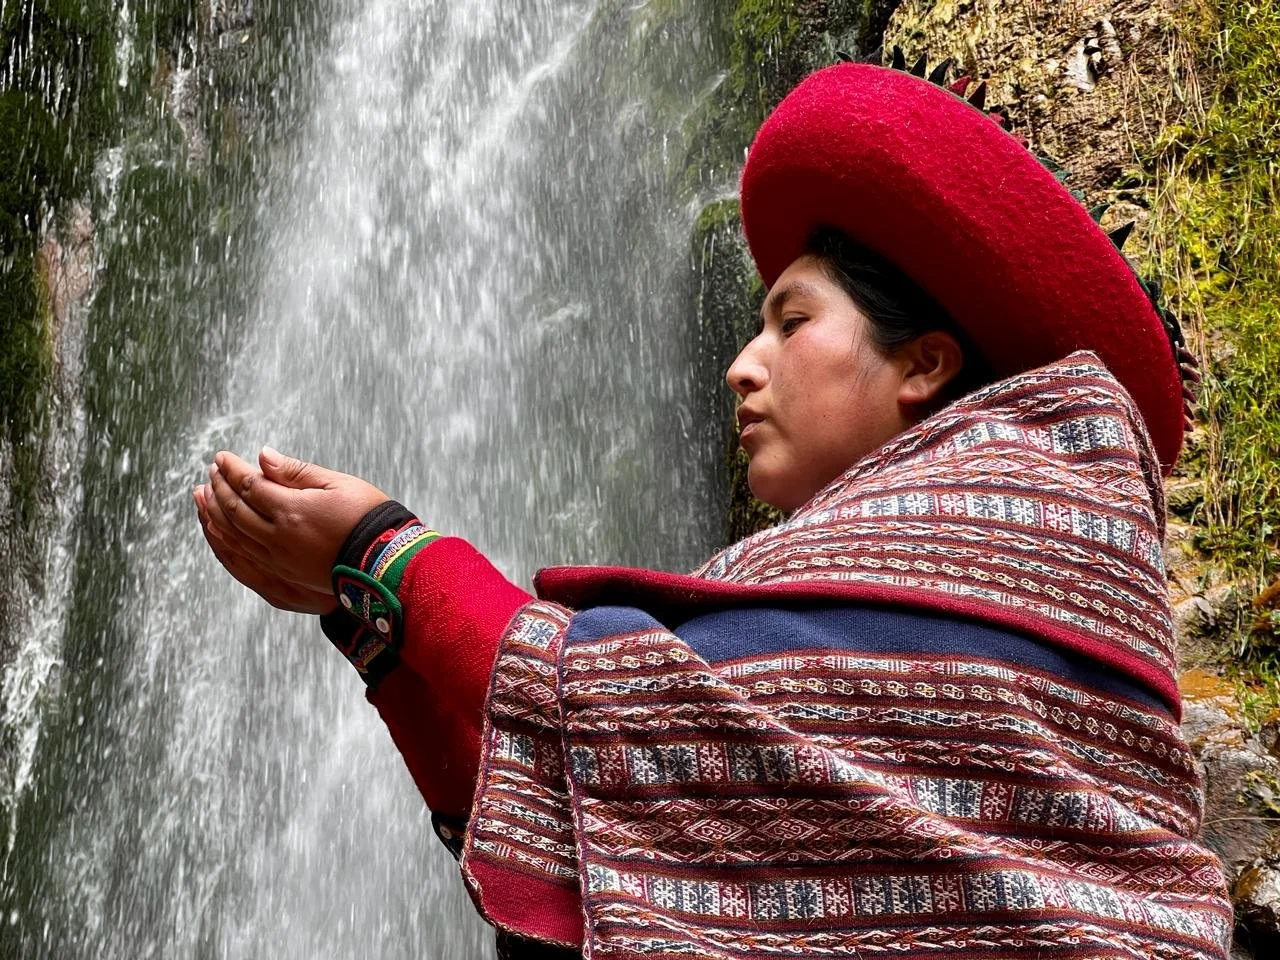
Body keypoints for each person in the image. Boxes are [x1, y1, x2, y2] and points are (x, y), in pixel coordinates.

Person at [193, 58, 1231, 959]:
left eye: (790, 321)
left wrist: (389, 558)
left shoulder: (1001, 561)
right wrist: (378, 630)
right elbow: (620, 827)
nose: (741, 367)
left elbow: (630, 724)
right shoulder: (985, 573)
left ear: (922, 364)